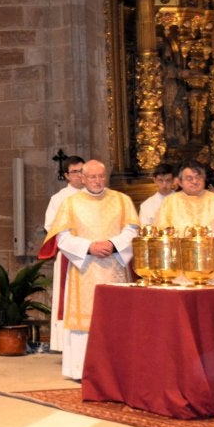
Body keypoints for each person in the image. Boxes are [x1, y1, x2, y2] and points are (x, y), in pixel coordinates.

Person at [39, 160, 139, 381]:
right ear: (82, 179)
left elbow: (132, 230)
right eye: (92, 177)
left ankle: (117, 369)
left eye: (101, 176)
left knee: (115, 319)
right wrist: (89, 247)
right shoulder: (70, 203)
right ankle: (81, 370)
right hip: (84, 269)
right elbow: (62, 237)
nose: (97, 181)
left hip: (114, 266)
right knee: (84, 320)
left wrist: (113, 244)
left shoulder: (122, 201)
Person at [44, 156, 85, 353]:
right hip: (71, 256)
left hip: (95, 256)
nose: (80, 176)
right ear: (67, 175)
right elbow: (51, 228)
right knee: (69, 300)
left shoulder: (97, 196)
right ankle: (68, 346)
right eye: (75, 172)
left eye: (82, 171)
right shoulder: (59, 199)